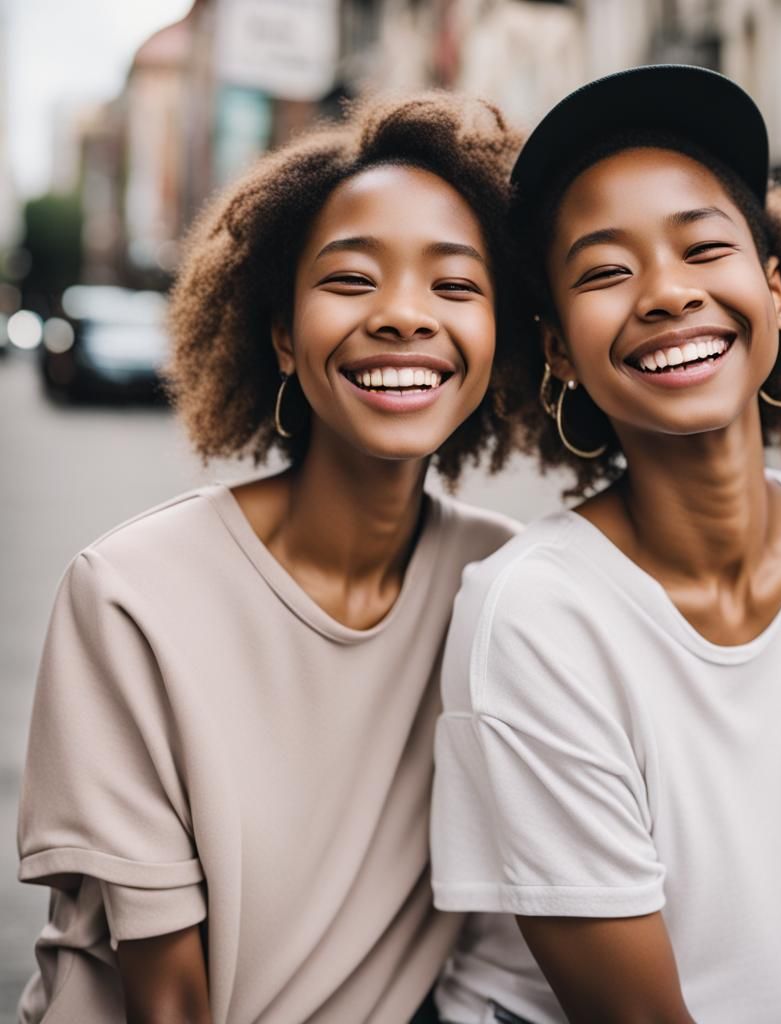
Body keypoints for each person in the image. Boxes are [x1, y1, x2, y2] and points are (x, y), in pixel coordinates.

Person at [430, 66, 781, 1023]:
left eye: (703, 248)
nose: (667, 293)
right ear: (558, 350)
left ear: (777, 295)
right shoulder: (534, 613)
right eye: (605, 270)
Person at [17, 92, 524, 1024]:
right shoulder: (131, 595)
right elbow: (166, 1000)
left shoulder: (514, 592)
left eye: (456, 286)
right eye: (349, 280)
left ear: (501, 339)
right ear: (284, 336)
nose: (405, 316)